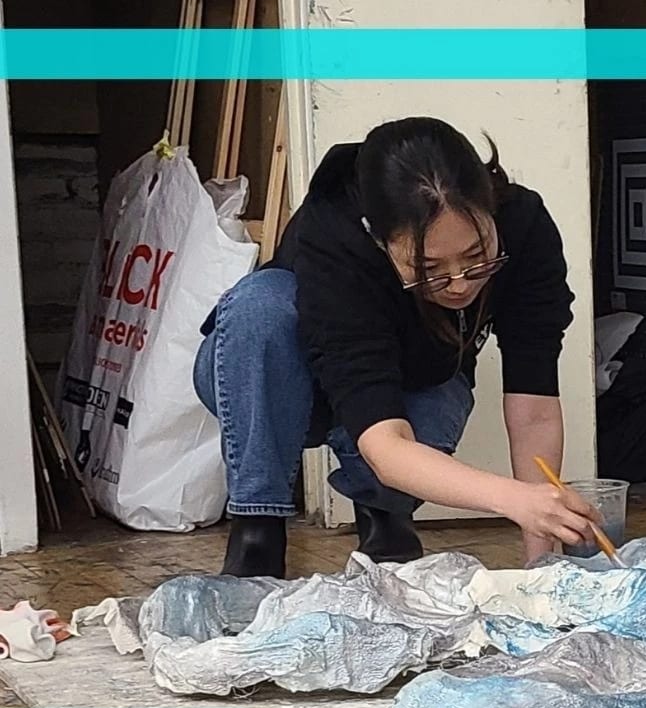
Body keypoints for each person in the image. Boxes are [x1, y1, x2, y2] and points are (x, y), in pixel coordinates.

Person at [194, 116, 604, 579]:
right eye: (429, 268)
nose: (457, 286)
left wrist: (541, 557)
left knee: (440, 392)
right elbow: (386, 448)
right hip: (287, 380)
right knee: (261, 306)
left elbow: (534, 409)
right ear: (377, 237)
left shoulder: (525, 225)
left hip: (412, 378)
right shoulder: (334, 236)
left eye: (476, 259)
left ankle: (385, 516)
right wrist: (515, 499)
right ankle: (258, 529)